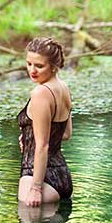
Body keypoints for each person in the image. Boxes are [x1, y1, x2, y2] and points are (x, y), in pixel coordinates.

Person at [18, 37, 73, 207]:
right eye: (29, 64)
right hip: (62, 176)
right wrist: (28, 138)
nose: (32, 70)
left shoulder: (41, 93)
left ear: (54, 67)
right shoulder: (63, 88)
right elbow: (65, 134)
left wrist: (35, 188)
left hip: (39, 178)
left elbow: (42, 145)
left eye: (39, 66)